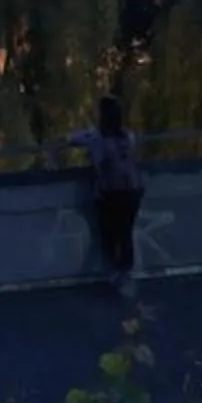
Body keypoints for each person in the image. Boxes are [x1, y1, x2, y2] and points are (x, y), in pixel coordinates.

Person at [72, 98, 145, 294]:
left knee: (108, 233)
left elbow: (74, 139)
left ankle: (114, 273)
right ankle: (125, 272)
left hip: (110, 191)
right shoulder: (127, 137)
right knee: (125, 231)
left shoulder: (97, 139)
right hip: (132, 190)